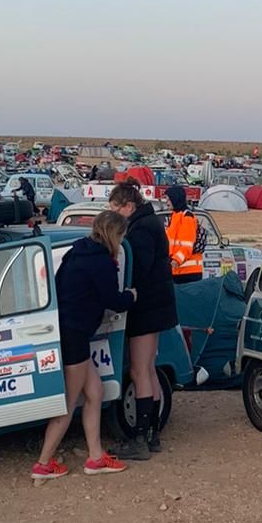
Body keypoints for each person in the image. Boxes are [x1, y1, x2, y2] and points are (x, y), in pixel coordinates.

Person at [31, 210, 134, 481]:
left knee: (95, 392)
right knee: (68, 401)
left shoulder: (75, 252)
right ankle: (43, 463)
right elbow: (114, 300)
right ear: (115, 235)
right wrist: (131, 296)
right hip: (76, 335)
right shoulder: (102, 262)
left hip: (67, 330)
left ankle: (96, 457)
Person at [108, 179, 176, 459]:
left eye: (115, 209)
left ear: (128, 206)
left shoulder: (141, 230)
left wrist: (124, 293)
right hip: (157, 306)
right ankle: (152, 434)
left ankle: (140, 437)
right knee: (148, 369)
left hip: (147, 308)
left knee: (139, 371)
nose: (113, 215)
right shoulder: (148, 223)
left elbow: (139, 271)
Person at [165, 184, 204, 285]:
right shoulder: (175, 216)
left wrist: (176, 260)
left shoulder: (187, 217)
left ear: (175, 199)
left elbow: (187, 245)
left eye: (168, 199)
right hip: (178, 270)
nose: (167, 202)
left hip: (188, 271)